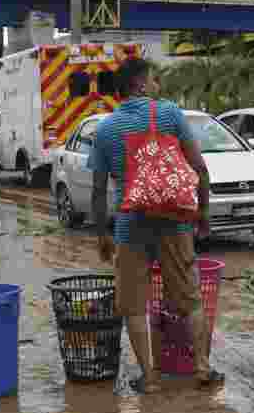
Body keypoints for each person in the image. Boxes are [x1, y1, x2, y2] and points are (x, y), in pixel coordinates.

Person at [87, 58, 225, 394]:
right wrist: (203, 213)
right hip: (175, 223)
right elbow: (200, 170)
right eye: (155, 80)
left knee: (134, 305)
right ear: (141, 85)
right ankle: (202, 369)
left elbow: (98, 190)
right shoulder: (170, 115)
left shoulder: (104, 130)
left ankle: (149, 378)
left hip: (129, 228)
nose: (158, 86)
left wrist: (103, 235)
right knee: (190, 299)